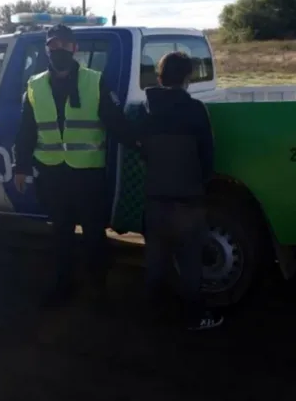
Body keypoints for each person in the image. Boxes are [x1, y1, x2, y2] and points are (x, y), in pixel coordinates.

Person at [12, 24, 138, 308]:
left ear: (74, 48)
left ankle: (98, 289)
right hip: (52, 173)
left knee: (94, 234)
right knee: (61, 234)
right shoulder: (34, 86)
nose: (59, 51)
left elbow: (114, 121)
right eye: (53, 46)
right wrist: (21, 166)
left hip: (87, 174)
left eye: (64, 46)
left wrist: (139, 145)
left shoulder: (95, 81)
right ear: (47, 49)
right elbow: (27, 131)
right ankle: (62, 285)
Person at [138, 51, 223, 331]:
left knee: (156, 262)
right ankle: (195, 317)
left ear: (160, 78)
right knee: (189, 263)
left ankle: (151, 317)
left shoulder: (145, 109)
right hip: (187, 199)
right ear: (188, 78)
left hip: (154, 198)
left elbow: (142, 151)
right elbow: (207, 157)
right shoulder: (196, 110)